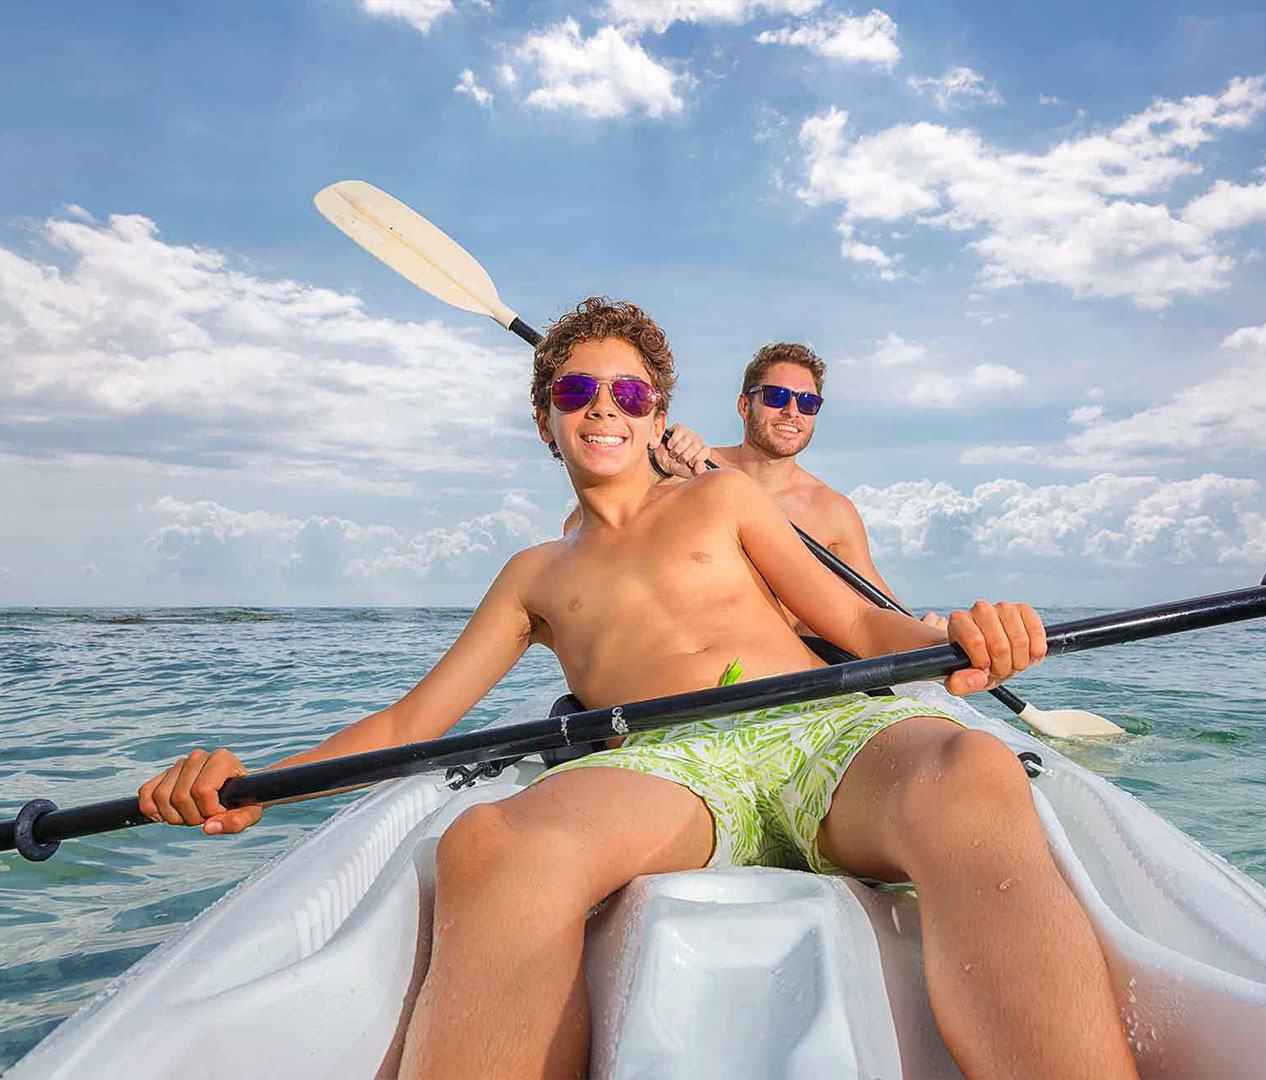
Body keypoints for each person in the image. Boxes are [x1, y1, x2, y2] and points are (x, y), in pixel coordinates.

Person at [138, 298, 1137, 1080]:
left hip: (820, 731)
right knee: (492, 845)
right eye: (576, 394)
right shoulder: (533, 576)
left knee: (969, 769)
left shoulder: (723, 496)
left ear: (659, 413)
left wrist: (955, 636)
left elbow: (864, 626)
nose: (603, 409)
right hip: (669, 765)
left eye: (628, 394)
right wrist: (253, 789)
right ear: (546, 423)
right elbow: (411, 722)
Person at [639, 341, 945, 631]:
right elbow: (608, 518)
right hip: (686, 661)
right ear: (744, 405)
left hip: (780, 673)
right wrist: (656, 467)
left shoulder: (832, 511)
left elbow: (877, 604)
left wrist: (927, 633)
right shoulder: (689, 466)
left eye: (808, 402)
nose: (792, 411)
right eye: (776, 396)